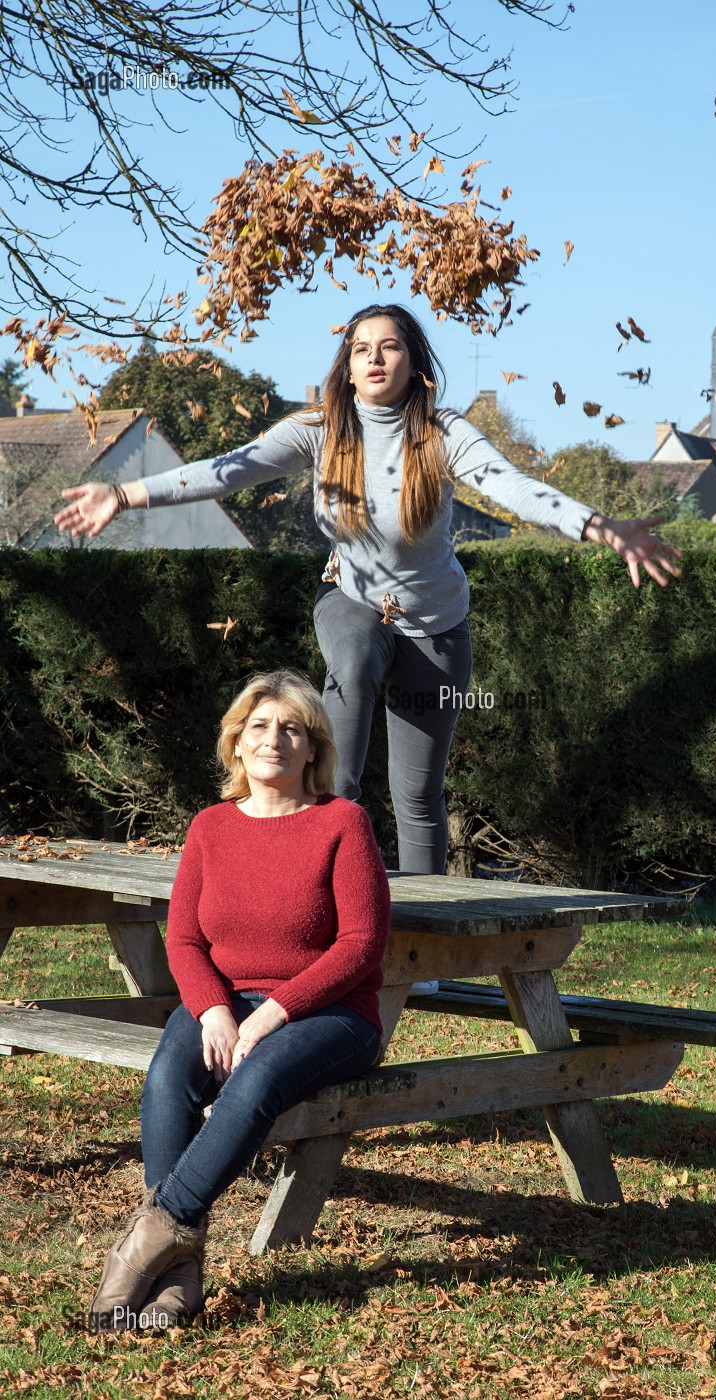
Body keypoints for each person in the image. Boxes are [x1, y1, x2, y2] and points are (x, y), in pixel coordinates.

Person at [56, 304, 681, 878]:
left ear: (414, 363)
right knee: (346, 719)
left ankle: (424, 930)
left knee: (418, 794)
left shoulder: (443, 433)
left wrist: (600, 528)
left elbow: (512, 487)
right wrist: (124, 493)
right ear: (348, 367)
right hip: (350, 600)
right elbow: (229, 469)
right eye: (361, 349)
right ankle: (325, 893)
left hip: (435, 626)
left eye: (390, 347)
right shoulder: (320, 429)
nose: (375, 358)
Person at [88, 669, 391, 1331]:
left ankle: (146, 1241)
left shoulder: (342, 822)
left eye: (291, 729)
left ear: (313, 748)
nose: (273, 739)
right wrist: (216, 1010)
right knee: (168, 1077)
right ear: (237, 743)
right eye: (259, 726)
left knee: (254, 1081)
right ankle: (180, 1277)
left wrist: (276, 1012)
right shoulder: (211, 827)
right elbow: (185, 939)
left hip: (332, 1014)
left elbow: (362, 944)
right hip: (224, 1001)